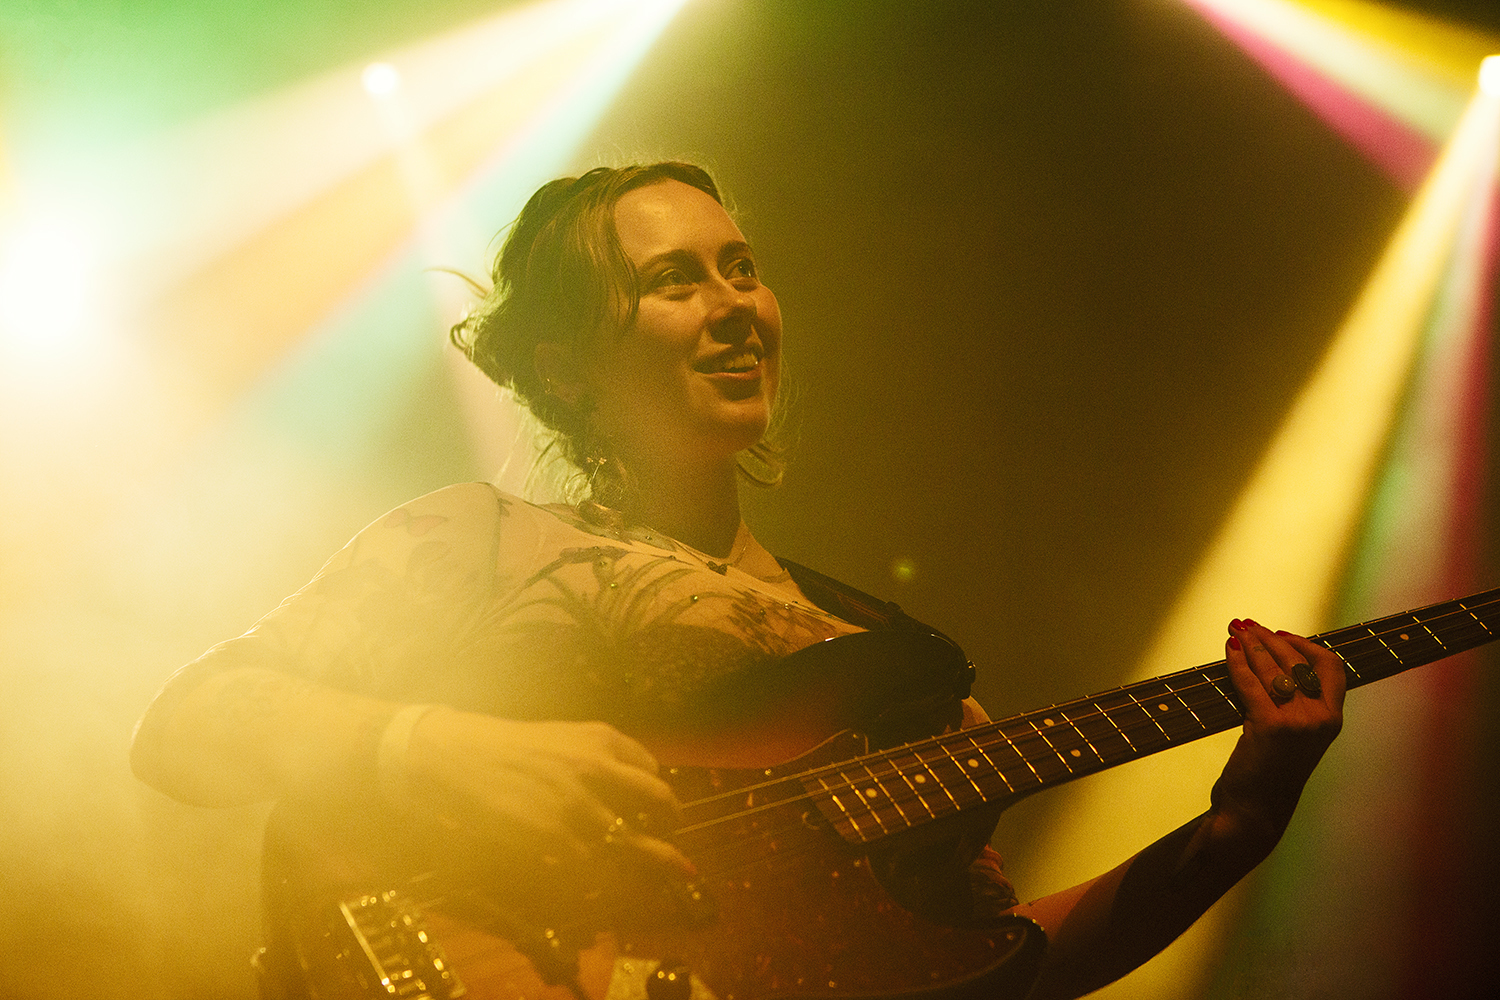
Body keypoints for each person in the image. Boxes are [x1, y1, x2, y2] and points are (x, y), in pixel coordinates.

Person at [130, 162, 1345, 1000]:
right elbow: (186, 725)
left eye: (743, 267)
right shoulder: (478, 536)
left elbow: (990, 964)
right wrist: (434, 745)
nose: (733, 306)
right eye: (675, 280)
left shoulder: (886, 652)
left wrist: (1244, 818)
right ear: (564, 361)